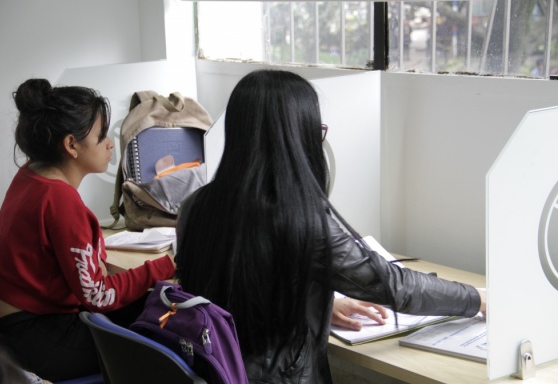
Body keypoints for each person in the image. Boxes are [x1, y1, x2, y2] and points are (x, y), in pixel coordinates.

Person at [174, 69, 485, 384]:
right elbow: (395, 285)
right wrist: (477, 298)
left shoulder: (195, 206)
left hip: (216, 371)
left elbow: (237, 287)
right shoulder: (300, 221)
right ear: (300, 139)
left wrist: (318, 306)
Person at [0, 79, 176, 382]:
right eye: (102, 136)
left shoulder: (32, 174)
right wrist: (166, 266)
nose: (111, 143)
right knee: (162, 340)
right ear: (71, 145)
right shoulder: (59, 200)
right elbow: (98, 297)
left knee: (152, 309)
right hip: (32, 336)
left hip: (10, 323)